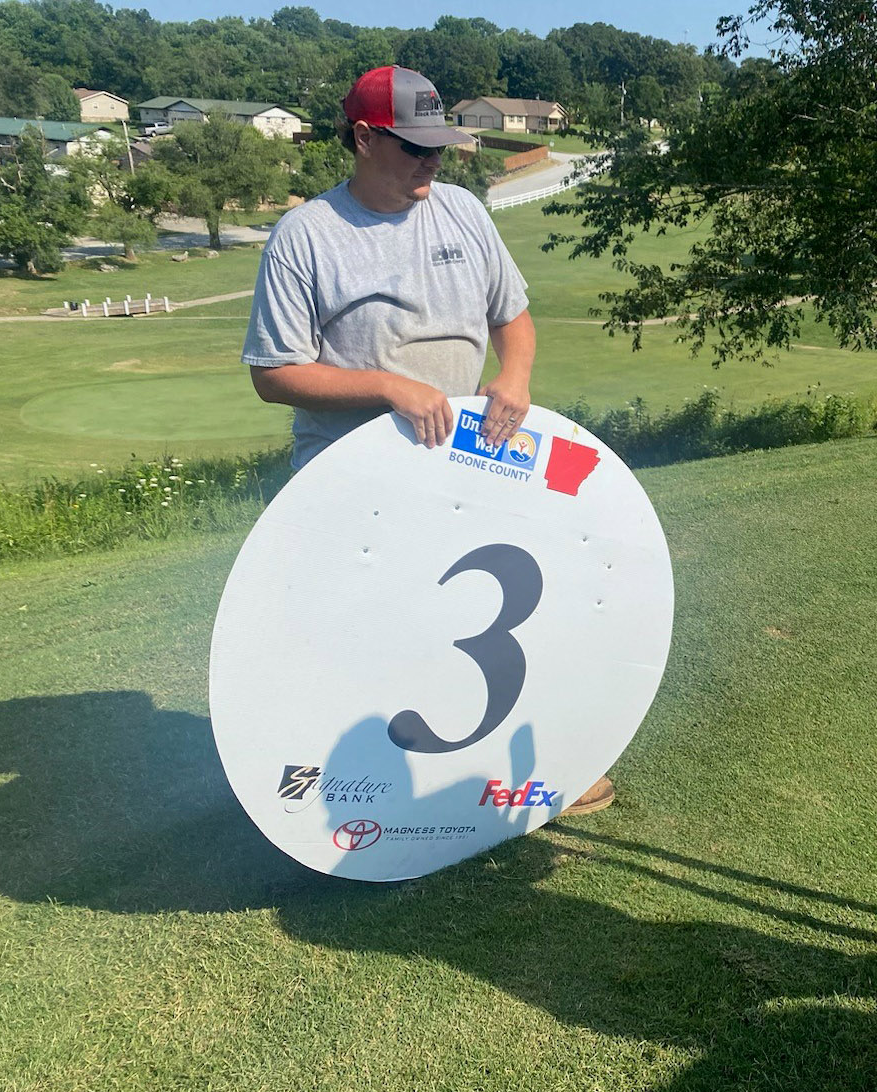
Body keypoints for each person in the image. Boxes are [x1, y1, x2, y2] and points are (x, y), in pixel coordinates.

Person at [241, 64, 613, 817]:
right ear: (363, 138)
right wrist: (385, 385)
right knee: (380, 644)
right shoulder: (305, 236)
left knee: (493, 622)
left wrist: (515, 376)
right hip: (354, 480)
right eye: (415, 148)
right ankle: (364, 801)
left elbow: (512, 316)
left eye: (439, 146)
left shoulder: (464, 213)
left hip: (465, 466)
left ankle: (520, 775)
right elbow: (274, 373)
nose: (432, 161)